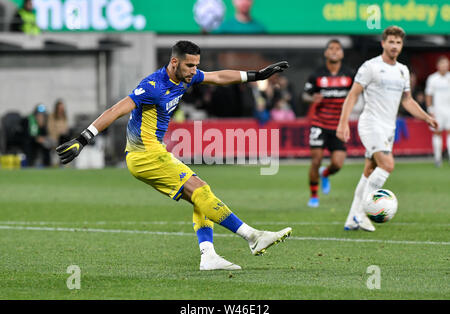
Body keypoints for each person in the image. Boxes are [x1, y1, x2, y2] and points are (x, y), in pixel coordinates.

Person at [56, 41, 291, 271]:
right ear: (174, 62)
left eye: (196, 65)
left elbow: (218, 77)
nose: (194, 70)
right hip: (145, 154)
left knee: (201, 195)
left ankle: (208, 256)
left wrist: (256, 76)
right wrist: (83, 138)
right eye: (190, 65)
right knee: (201, 191)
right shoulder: (152, 86)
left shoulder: (187, 75)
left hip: (153, 152)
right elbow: (116, 110)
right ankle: (253, 236)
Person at [336, 26, 438, 232]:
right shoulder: (370, 67)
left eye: (398, 42)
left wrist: (426, 116)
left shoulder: (402, 70)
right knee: (387, 165)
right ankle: (362, 213)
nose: (394, 46)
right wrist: (343, 122)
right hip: (371, 124)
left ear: (401, 46)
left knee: (370, 170)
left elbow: (407, 101)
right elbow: (353, 95)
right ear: (383, 43)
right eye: (391, 42)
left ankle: (351, 218)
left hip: (388, 128)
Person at [302, 39, 354, 208]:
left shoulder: (349, 75)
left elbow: (356, 95)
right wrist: (312, 98)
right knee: (316, 160)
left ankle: (325, 173)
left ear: (342, 53)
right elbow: (305, 96)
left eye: (337, 49)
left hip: (339, 125)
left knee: (338, 164)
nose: (334, 51)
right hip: (319, 123)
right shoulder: (317, 75)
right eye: (331, 48)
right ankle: (314, 196)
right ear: (325, 53)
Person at [425, 56, 450, 167]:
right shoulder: (432, 78)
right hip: (437, 110)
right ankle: (437, 159)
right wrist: (430, 110)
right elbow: (428, 95)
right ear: (438, 65)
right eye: (442, 64)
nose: (444, 66)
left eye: (446, 64)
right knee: (437, 132)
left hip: (449, 110)